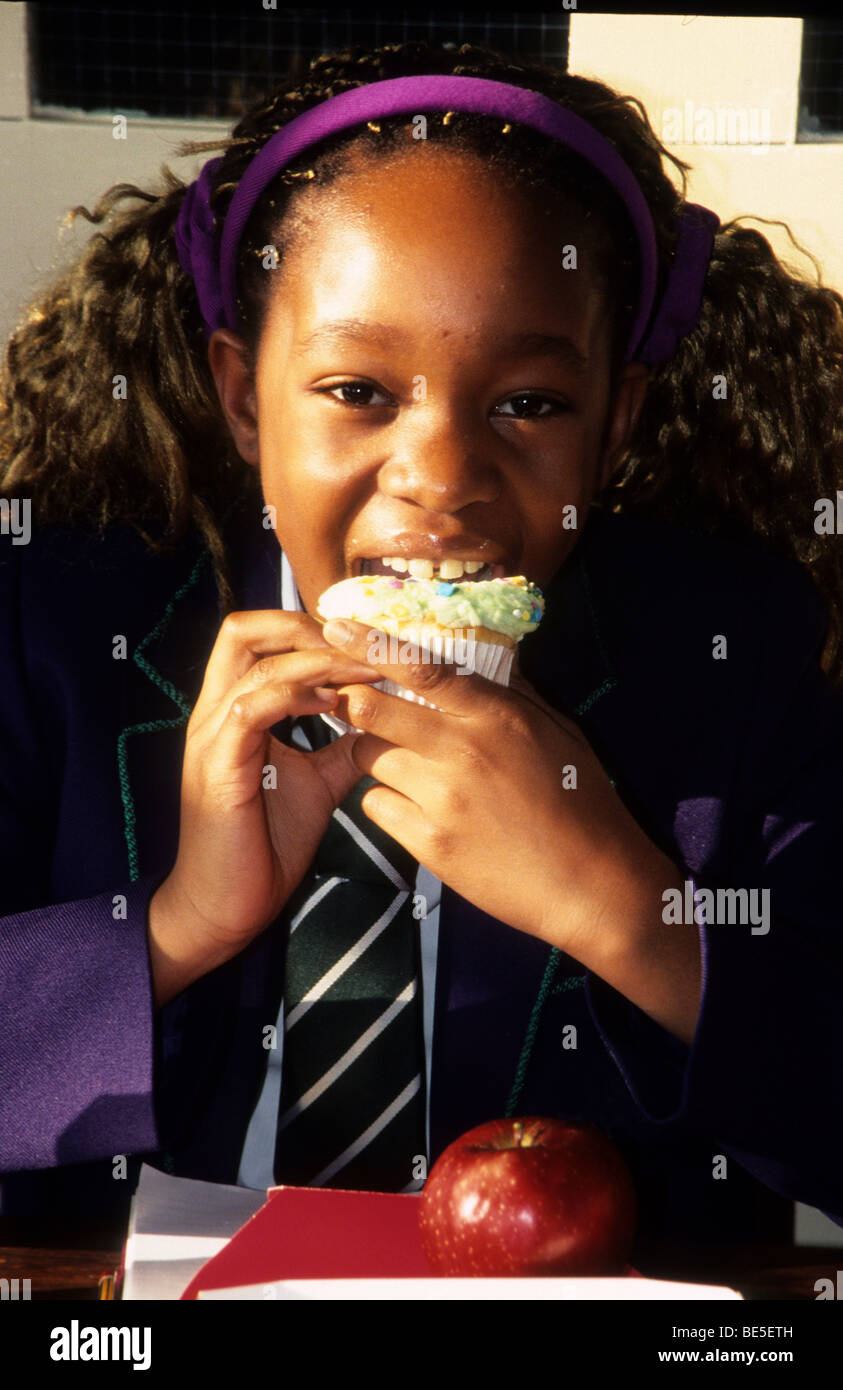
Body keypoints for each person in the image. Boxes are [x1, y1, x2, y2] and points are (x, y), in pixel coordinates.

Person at [1, 40, 842, 1258]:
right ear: (243, 396)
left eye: (531, 404)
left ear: (620, 420)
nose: (442, 480)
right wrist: (176, 925)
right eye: (358, 391)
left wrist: (630, 911)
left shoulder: (743, 656)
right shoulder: (53, 630)